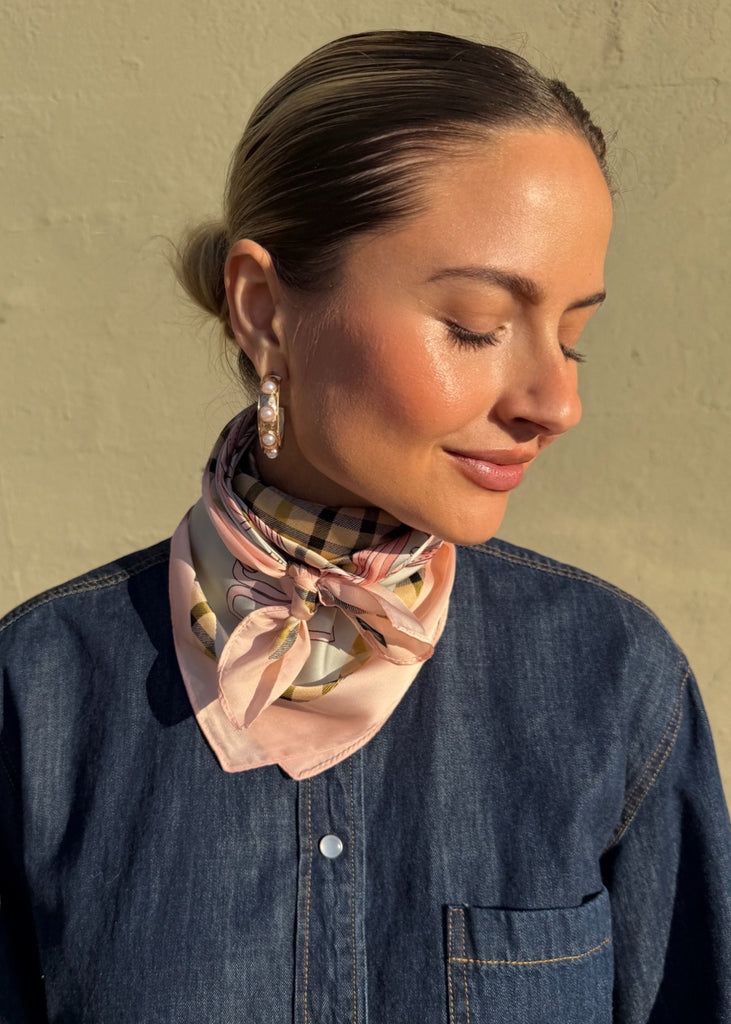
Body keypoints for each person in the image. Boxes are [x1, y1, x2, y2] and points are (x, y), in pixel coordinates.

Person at [1, 29, 729, 1024]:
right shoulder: (37, 697)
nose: (553, 402)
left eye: (573, 339)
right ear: (263, 311)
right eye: (476, 323)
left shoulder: (613, 684)